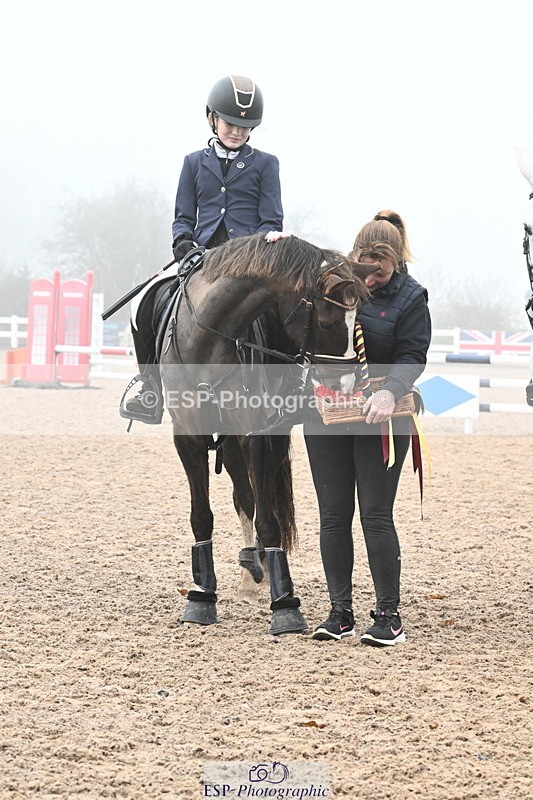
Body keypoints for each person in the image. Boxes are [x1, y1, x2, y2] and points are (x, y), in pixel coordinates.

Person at [122, 74, 284, 423]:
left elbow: (272, 220)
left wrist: (256, 248)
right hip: (199, 257)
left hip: (247, 262)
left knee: (280, 309)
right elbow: (183, 216)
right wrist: (185, 243)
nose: (237, 132)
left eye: (246, 126)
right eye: (231, 123)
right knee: (143, 303)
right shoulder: (194, 162)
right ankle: (151, 388)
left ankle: (283, 391)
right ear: (212, 118)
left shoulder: (266, 164)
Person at [305, 210, 432, 646]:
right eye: (365, 269)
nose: (371, 280)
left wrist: (389, 390)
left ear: (395, 260)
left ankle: (388, 616)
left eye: (380, 271)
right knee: (333, 516)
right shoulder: (338, 284)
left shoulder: (412, 298)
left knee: (375, 516)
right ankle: (340, 612)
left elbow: (413, 355)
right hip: (328, 415)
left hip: (382, 416)